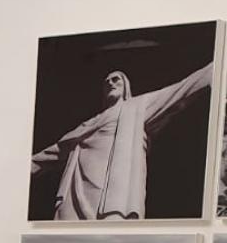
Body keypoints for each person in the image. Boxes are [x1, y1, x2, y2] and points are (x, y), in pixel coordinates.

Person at [31, 61, 213, 219]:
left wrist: (215, 68)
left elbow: (181, 90)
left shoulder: (137, 107)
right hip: (76, 188)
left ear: (126, 86)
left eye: (116, 79)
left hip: (112, 190)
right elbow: (54, 152)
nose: (111, 83)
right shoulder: (90, 122)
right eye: (107, 82)